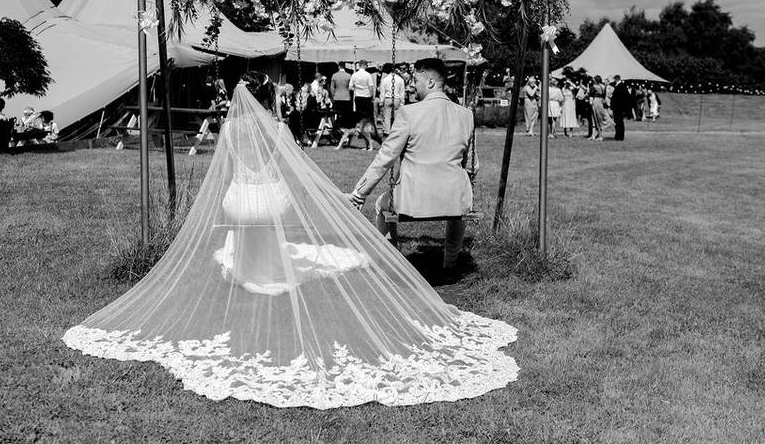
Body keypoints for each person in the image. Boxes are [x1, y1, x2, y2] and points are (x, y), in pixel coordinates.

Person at [62, 68, 518, 409]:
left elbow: (227, 169)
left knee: (246, 223)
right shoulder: (279, 129)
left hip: (238, 202)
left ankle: (250, 271)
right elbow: (292, 169)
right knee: (275, 217)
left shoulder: (229, 128)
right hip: (274, 202)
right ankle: (346, 263)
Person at [347, 58, 478, 276]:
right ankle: (450, 264)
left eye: (415, 80)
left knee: (381, 205)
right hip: (455, 198)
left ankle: (390, 261)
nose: (410, 85)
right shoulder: (466, 115)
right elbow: (473, 165)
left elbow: (386, 157)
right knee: (459, 206)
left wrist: (360, 194)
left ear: (430, 82)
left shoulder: (409, 113)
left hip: (414, 200)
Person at [378, 63, 406, 135]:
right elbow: (402, 92)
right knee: (397, 116)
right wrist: (402, 102)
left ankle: (387, 131)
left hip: (387, 98)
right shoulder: (400, 80)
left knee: (387, 116)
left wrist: (381, 101)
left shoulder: (385, 79)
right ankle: (396, 131)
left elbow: (382, 91)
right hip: (397, 99)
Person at [609, 75, 633, 141]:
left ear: (616, 79)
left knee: (619, 122)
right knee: (617, 122)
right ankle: (618, 135)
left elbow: (623, 98)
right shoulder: (620, 86)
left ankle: (620, 136)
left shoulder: (621, 86)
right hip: (617, 108)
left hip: (619, 108)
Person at [329, 63, 352, 127]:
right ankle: (345, 125)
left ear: (339, 67)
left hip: (337, 97)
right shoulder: (349, 76)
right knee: (346, 114)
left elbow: (332, 88)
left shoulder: (334, 75)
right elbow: (351, 87)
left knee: (338, 113)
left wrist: (333, 96)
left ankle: (338, 126)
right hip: (346, 97)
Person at [588, 76, 606, 141]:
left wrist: (590, 103)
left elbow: (591, 97)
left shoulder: (593, 87)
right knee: (599, 118)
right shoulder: (603, 86)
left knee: (595, 119)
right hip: (601, 102)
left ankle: (599, 136)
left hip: (595, 102)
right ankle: (596, 135)